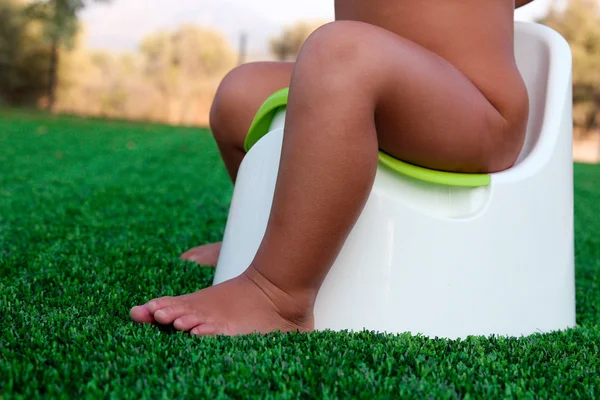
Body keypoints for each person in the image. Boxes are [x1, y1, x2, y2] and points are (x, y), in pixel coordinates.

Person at [131, 0, 535, 336]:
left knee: (340, 52)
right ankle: (269, 236)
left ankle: (278, 294)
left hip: (475, 109)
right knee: (241, 93)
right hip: (378, 80)